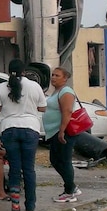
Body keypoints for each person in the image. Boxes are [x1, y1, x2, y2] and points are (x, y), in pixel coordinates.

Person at [0, 59, 47, 211]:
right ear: (24, 71)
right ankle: (30, 205)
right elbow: (42, 107)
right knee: (29, 169)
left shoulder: (2, 87)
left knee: (14, 168)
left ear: (9, 71)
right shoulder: (34, 86)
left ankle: (15, 203)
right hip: (30, 128)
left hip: (9, 129)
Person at [42, 67, 82, 203]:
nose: (53, 77)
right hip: (53, 132)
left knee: (64, 161)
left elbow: (67, 111)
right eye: (53, 75)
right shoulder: (55, 92)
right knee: (55, 160)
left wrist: (62, 131)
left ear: (65, 78)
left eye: (57, 75)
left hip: (63, 132)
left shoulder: (66, 92)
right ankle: (72, 186)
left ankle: (69, 191)